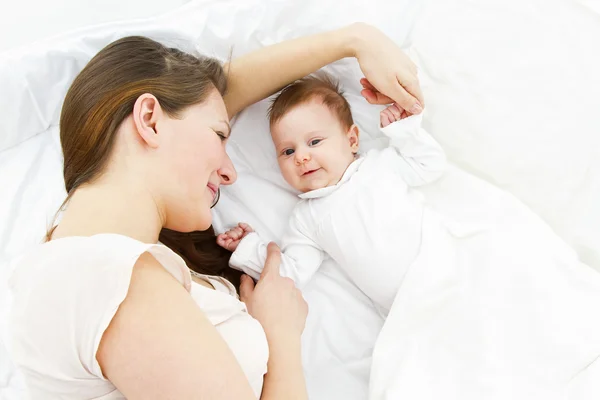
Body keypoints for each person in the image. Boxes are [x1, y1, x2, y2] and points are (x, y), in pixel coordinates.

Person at [8, 23, 424, 399]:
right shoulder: (109, 278)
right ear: (150, 119)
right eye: (220, 135)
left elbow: (207, 96)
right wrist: (280, 341)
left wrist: (353, 40)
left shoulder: (91, 265)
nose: (229, 173)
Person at [216, 75, 446, 312]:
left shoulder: (380, 165)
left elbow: (430, 165)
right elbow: (291, 273)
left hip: (440, 263)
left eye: (314, 142)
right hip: (407, 307)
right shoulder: (306, 218)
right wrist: (248, 249)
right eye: (288, 151)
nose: (301, 157)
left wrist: (404, 130)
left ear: (352, 140)